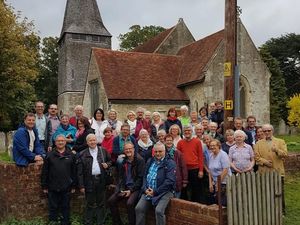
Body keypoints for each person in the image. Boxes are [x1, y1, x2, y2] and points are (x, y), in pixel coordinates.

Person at [135, 142, 176, 225]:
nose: (158, 154)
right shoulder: (150, 160)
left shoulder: (170, 163)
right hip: (148, 191)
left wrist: (155, 191)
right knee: (138, 208)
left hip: (164, 192)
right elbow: (145, 176)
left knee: (159, 211)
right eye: (156, 151)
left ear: (165, 151)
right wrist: (145, 189)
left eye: (160, 151)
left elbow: (169, 181)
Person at [77, 134, 112, 225]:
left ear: (96, 141)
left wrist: (107, 164)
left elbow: (111, 161)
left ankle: (101, 222)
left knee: (101, 203)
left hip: (101, 180)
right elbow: (79, 172)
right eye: (90, 140)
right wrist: (81, 186)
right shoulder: (82, 154)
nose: (92, 142)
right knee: (89, 203)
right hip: (89, 181)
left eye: (94, 140)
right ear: (87, 142)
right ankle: (88, 222)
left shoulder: (103, 151)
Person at [41, 135, 76, 225]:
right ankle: (53, 222)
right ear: (55, 142)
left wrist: (74, 185)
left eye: (62, 141)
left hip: (67, 186)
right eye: (58, 141)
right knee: (53, 206)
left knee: (66, 206)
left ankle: (66, 222)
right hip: (52, 185)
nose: (60, 142)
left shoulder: (71, 154)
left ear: (65, 142)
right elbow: (45, 171)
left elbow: (74, 171)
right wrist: (44, 185)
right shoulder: (49, 155)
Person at [107, 142, 145, 225]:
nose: (128, 150)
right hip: (125, 187)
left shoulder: (140, 160)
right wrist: (119, 189)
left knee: (130, 203)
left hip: (136, 188)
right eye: (126, 149)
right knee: (111, 201)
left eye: (130, 148)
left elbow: (140, 179)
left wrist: (131, 190)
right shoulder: (123, 161)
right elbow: (120, 177)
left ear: (134, 149)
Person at [254, 124, 288, 213]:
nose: (267, 132)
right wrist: (264, 162)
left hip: (277, 171)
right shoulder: (258, 143)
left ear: (272, 131)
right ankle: (267, 210)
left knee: (279, 192)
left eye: (269, 130)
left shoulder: (280, 141)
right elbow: (256, 157)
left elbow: (285, 154)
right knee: (265, 192)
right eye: (265, 131)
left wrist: (277, 150)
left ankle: (281, 211)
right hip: (264, 172)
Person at [177, 125, 204, 203]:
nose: (187, 132)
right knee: (184, 189)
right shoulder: (180, 142)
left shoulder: (197, 142)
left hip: (195, 169)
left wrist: (201, 170)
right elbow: (178, 157)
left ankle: (196, 206)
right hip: (184, 169)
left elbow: (201, 157)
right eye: (185, 131)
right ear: (183, 132)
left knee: (196, 190)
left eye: (189, 130)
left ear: (192, 132)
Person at [208, 139, 231, 206]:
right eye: (211, 145)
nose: (212, 147)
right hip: (215, 182)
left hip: (224, 182)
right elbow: (210, 170)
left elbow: (225, 170)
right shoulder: (211, 155)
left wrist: (218, 183)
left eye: (214, 145)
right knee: (216, 202)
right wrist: (210, 183)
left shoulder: (223, 155)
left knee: (223, 203)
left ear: (218, 146)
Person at [165, 134, 188, 198]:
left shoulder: (178, 153)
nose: (169, 142)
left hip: (177, 179)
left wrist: (185, 180)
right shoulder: (162, 152)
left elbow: (183, 167)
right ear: (165, 141)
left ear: (173, 141)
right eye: (167, 140)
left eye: (170, 140)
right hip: (166, 179)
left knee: (176, 198)